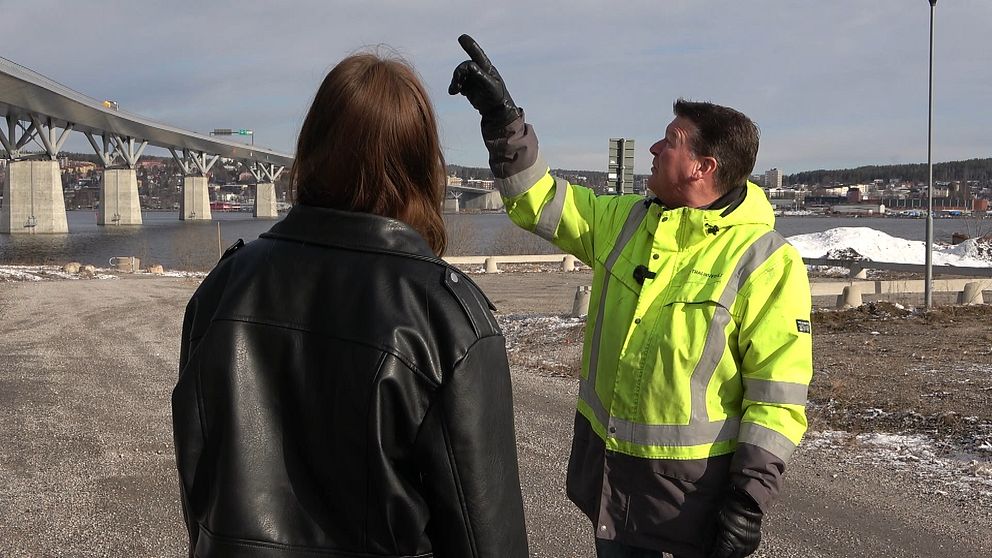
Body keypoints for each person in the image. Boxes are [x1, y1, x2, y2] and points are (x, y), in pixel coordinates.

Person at [450, 35, 812, 558]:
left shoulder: (767, 261)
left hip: (688, 509)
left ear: (703, 167)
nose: (655, 148)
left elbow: (778, 398)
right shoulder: (626, 220)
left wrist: (747, 501)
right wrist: (503, 120)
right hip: (611, 494)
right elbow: (538, 200)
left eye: (671, 140)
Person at [172, 51, 529, 558]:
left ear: (312, 148)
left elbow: (199, 474)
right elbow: (486, 537)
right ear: (421, 161)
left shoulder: (223, 287)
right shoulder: (448, 317)